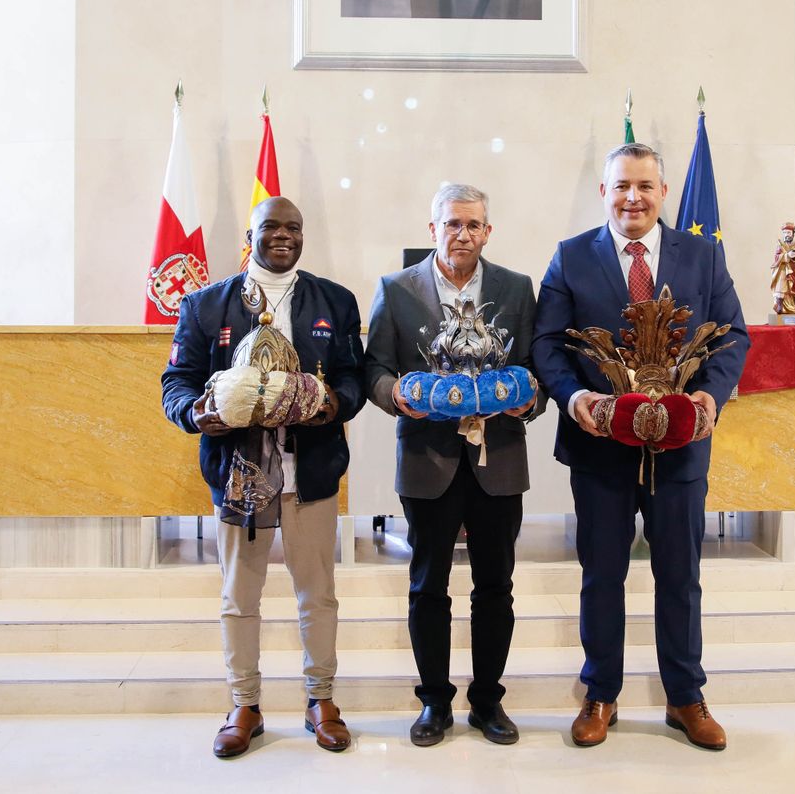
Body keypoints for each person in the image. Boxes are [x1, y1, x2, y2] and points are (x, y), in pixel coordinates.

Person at [531, 143, 749, 752]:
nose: (633, 197)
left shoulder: (703, 256)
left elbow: (733, 337)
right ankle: (600, 693)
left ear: (663, 192)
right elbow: (548, 344)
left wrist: (709, 400)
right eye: (622, 186)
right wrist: (575, 400)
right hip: (600, 448)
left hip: (680, 449)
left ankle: (686, 697)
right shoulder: (571, 257)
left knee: (680, 574)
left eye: (645, 186)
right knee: (602, 574)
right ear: (604, 192)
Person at [161, 196, 366, 759]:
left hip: (313, 472)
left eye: (293, 227)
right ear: (250, 236)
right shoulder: (206, 305)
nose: (283, 236)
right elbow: (176, 382)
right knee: (239, 595)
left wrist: (329, 404)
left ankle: (321, 699)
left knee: (317, 594)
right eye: (270, 227)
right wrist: (197, 413)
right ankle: (243, 704)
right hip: (238, 476)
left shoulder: (335, 302)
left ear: (303, 236)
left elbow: (353, 379)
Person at [365, 183, 541, 747]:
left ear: (488, 231)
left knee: (496, 585)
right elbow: (373, 369)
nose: (462, 234)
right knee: (427, 586)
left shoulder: (517, 288)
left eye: (473, 225)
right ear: (432, 228)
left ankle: (488, 701)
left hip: (499, 459)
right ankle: (434, 703)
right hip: (427, 457)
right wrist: (399, 396)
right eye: (452, 224)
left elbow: (537, 368)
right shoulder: (396, 290)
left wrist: (529, 399)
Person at [770, 221, 795, 316]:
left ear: (793, 233)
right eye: (784, 233)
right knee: (781, 287)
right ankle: (780, 306)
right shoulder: (781, 245)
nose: (786, 235)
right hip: (784, 269)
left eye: (788, 232)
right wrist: (787, 255)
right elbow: (777, 257)